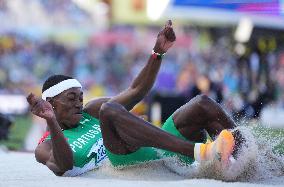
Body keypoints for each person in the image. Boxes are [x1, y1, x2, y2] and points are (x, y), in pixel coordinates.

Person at [27, 20, 239, 177]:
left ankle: (252, 158)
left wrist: (157, 53)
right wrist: (51, 121)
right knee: (108, 110)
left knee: (202, 104)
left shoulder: (90, 110)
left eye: (80, 97)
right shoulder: (44, 148)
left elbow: (137, 89)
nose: (79, 103)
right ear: (52, 104)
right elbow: (63, 166)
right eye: (71, 98)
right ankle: (201, 152)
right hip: (129, 164)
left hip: (161, 152)